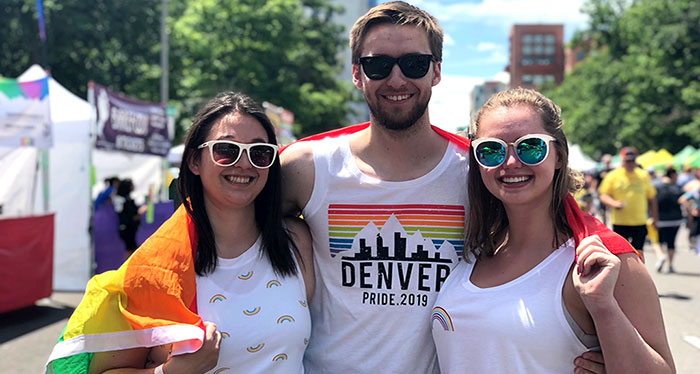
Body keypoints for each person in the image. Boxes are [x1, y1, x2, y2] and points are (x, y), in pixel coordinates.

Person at [280, 2, 636, 373]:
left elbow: (568, 229)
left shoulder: (479, 167)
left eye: (414, 64)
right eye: (378, 65)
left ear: (436, 71)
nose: (397, 79)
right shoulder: (308, 167)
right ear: (357, 73)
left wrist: (592, 349)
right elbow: (230, 221)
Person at [46, 92, 314, 374]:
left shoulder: (295, 241)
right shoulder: (154, 268)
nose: (244, 163)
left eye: (259, 153)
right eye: (226, 150)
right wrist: (170, 372)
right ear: (194, 161)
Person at [432, 88, 674, 373]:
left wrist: (603, 307)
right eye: (491, 150)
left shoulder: (602, 261)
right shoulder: (472, 247)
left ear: (558, 155)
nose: (510, 163)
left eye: (530, 147)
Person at [599, 146, 659, 261]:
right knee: (621, 253)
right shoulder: (613, 175)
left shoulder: (643, 175)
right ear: (623, 161)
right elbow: (603, 195)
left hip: (640, 221)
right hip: (621, 222)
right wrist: (614, 203)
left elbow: (652, 198)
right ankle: (624, 277)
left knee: (639, 251)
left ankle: (640, 276)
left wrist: (655, 218)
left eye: (633, 160)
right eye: (628, 160)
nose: (630, 163)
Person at [654, 166, 684, 273]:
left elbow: (653, 203)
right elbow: (683, 200)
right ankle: (670, 265)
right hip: (676, 219)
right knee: (671, 243)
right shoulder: (677, 187)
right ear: (672, 175)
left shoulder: (656, 186)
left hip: (661, 219)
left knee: (657, 242)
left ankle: (661, 256)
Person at [113, 178, 147, 260]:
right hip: (127, 228)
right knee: (130, 249)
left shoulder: (122, 199)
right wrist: (141, 212)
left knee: (132, 248)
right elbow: (131, 216)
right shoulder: (125, 201)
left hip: (128, 228)